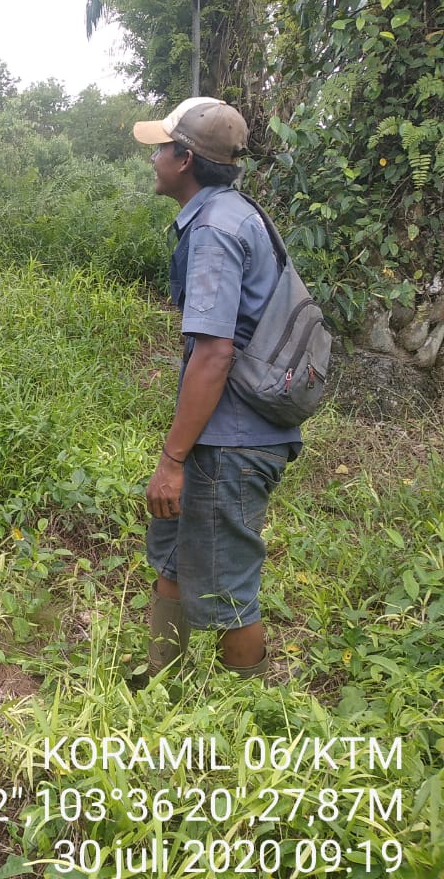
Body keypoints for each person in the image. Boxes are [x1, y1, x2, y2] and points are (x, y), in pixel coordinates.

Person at [133, 98, 302, 680]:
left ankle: (248, 720)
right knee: (174, 554)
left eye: (160, 148)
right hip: (225, 432)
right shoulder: (236, 213)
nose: (152, 158)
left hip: (231, 441)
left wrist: (172, 459)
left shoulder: (214, 231)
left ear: (184, 159)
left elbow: (213, 353)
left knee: (228, 587)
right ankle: (163, 685)